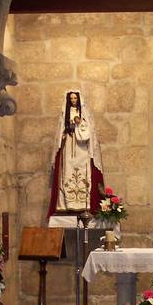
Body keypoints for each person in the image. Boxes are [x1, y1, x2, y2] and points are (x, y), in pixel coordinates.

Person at [48, 91, 104, 219]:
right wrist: (64, 134)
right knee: (67, 170)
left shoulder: (84, 112)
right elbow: (60, 131)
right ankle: (66, 204)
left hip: (82, 147)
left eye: (75, 98)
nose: (73, 100)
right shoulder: (65, 113)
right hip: (68, 145)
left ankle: (85, 204)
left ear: (79, 99)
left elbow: (88, 129)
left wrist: (79, 123)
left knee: (84, 171)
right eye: (71, 98)